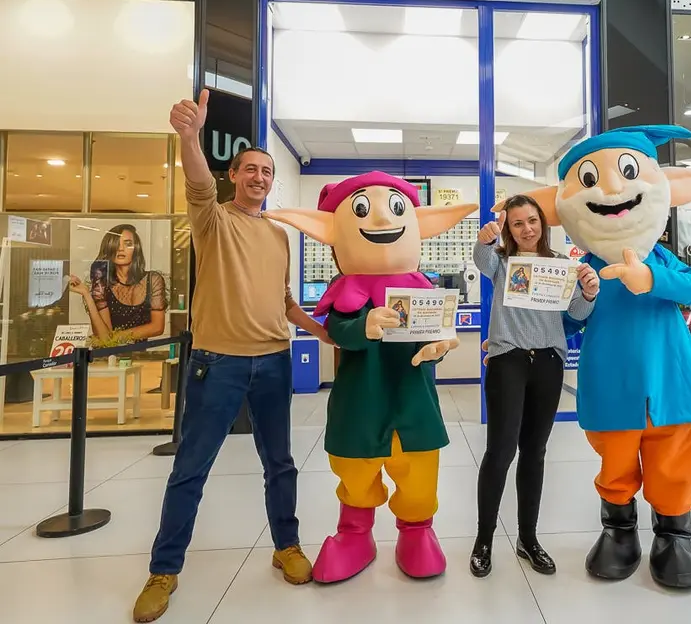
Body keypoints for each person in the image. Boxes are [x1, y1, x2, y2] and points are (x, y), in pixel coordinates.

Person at [504, 125, 691, 590]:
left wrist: (649, 277)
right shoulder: (580, 267)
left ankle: (673, 535)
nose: (612, 190)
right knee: (616, 461)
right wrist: (569, 301)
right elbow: (566, 324)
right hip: (611, 382)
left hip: (670, 379)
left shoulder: (661, 257)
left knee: (674, 459)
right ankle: (619, 529)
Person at [133, 90, 326, 622]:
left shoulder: (280, 237)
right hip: (216, 363)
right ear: (233, 176)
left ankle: (286, 546)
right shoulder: (212, 218)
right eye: (250, 170)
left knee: (280, 464)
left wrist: (324, 333)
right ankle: (164, 570)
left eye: (266, 172)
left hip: (274, 362)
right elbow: (196, 180)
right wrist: (189, 137)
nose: (260, 178)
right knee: (191, 468)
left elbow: (285, 302)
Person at [262, 172, 477, 583]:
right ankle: (355, 532)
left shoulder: (422, 291)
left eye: (394, 209)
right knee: (355, 469)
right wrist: (365, 326)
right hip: (361, 400)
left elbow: (432, 338)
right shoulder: (347, 292)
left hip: (412, 399)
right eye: (362, 209)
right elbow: (339, 330)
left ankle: (416, 531)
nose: (380, 220)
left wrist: (438, 346)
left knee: (417, 470)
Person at [469, 194, 599, 577]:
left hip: (548, 362)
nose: (527, 229)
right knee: (500, 451)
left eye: (532, 221)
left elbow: (575, 313)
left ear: (543, 222)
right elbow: (481, 259)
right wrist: (486, 237)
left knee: (535, 452)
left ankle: (528, 538)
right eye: (517, 224)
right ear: (508, 230)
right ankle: (484, 539)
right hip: (508, 359)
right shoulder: (502, 263)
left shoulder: (562, 266)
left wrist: (589, 293)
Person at [69, 224, 167, 342]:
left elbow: (157, 327)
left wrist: (114, 337)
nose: (121, 249)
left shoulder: (153, 280)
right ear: (109, 248)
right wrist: (86, 294)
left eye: (128, 244)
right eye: (116, 243)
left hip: (139, 356)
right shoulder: (102, 281)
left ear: (136, 249)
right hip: (107, 357)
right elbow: (103, 337)